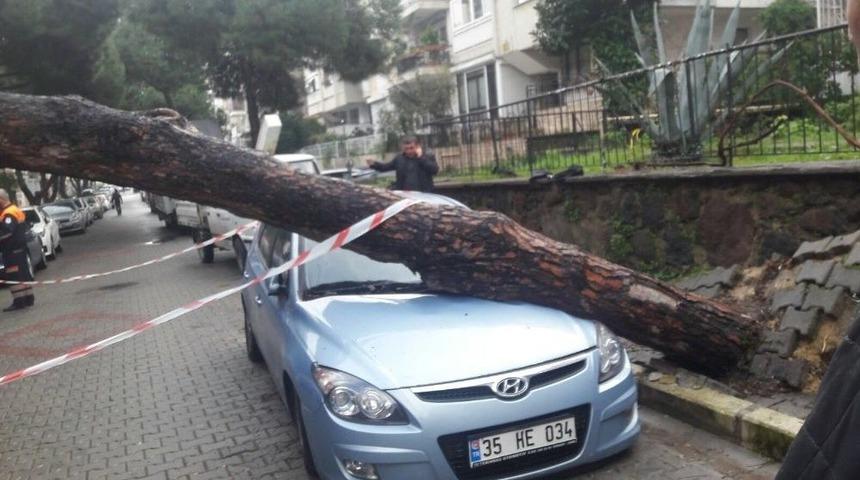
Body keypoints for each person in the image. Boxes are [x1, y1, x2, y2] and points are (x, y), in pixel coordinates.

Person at [0, 189, 34, 311]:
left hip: (11, 251)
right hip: (20, 249)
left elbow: (6, 232)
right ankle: (29, 298)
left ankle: (19, 301)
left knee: (14, 277)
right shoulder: (15, 209)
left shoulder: (8, 214)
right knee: (24, 275)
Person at [367, 136, 439, 192]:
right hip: (405, 195)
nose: (409, 151)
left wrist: (421, 158)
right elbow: (385, 167)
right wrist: (374, 164)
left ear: (417, 146)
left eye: (411, 148)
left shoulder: (427, 156)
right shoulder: (399, 158)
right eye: (406, 149)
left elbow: (435, 170)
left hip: (424, 194)